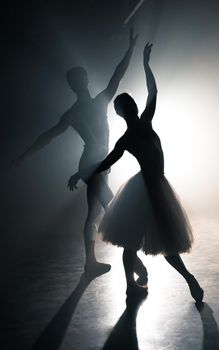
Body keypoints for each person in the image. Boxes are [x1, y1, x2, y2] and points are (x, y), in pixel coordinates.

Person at [68, 43, 204, 301]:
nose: (131, 104)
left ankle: (187, 280)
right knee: (136, 243)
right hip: (145, 191)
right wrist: (80, 173)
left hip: (155, 188)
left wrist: (145, 64)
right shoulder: (129, 137)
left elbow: (153, 91)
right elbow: (106, 162)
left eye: (130, 102)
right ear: (122, 112)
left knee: (161, 242)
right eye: (127, 104)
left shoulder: (145, 121)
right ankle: (134, 286)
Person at [11, 29, 148, 276]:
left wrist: (130, 49)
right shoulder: (94, 104)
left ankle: (90, 263)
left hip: (96, 163)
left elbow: (48, 136)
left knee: (93, 213)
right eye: (82, 78)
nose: (84, 80)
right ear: (81, 82)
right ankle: (134, 263)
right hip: (93, 165)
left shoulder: (83, 108)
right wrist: (130, 48)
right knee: (114, 210)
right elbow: (48, 136)